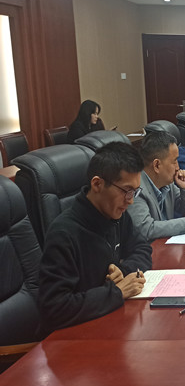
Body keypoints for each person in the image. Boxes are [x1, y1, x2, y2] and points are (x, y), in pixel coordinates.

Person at [38, 142, 151, 333]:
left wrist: (123, 271)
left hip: (109, 324)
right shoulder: (63, 234)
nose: (131, 201)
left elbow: (143, 249)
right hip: (72, 339)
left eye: (135, 192)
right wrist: (116, 292)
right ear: (97, 184)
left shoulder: (117, 215)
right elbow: (54, 308)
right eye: (126, 191)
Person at [128, 131, 185, 242]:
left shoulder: (167, 182)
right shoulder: (136, 188)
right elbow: (146, 229)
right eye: (174, 161)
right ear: (157, 165)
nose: (178, 167)